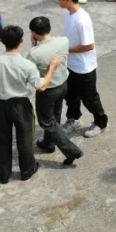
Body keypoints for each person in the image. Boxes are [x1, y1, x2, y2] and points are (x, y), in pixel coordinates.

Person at [0, 25, 61, 183]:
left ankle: (3, 174)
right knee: (25, 138)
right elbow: (41, 86)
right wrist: (52, 69)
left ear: (2, 41)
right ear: (21, 41)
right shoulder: (27, 65)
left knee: (1, 140)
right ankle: (27, 170)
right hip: (21, 105)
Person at [28, 16, 84, 164]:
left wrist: (34, 46)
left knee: (46, 121)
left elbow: (27, 71)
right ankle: (49, 143)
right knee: (55, 116)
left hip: (48, 90)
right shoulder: (63, 41)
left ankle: (71, 150)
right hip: (63, 85)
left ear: (34, 33)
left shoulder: (34, 53)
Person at [58, 0, 109, 138]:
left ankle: (101, 122)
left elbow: (89, 46)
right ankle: (73, 119)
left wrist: (67, 50)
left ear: (68, 0)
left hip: (84, 68)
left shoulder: (82, 20)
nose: (59, 2)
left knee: (90, 98)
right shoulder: (69, 15)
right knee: (71, 95)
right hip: (71, 65)